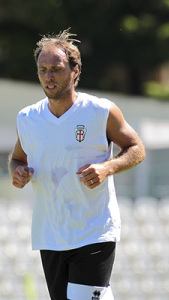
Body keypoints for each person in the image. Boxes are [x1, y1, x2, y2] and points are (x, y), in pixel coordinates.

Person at [8, 29, 145, 300]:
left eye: (56, 69)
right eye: (42, 70)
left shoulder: (100, 111)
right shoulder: (27, 118)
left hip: (94, 230)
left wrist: (107, 168)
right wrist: (18, 172)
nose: (48, 76)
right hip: (50, 234)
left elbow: (136, 148)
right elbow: (16, 159)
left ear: (75, 71)